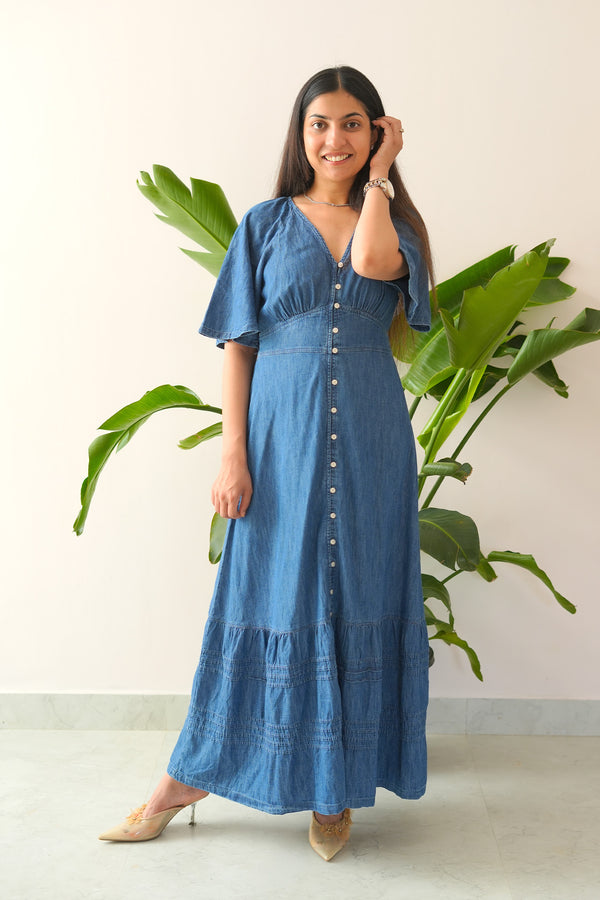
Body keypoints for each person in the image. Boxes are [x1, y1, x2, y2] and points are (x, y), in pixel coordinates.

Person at [99, 65, 434, 862]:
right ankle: (183, 781)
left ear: (377, 134)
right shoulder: (264, 223)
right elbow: (239, 346)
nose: (335, 139)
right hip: (277, 443)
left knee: (355, 587)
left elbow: (376, 266)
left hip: (371, 444)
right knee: (263, 592)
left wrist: (381, 183)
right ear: (301, 133)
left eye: (355, 124)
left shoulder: (393, 225)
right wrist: (232, 453)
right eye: (321, 123)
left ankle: (334, 792)